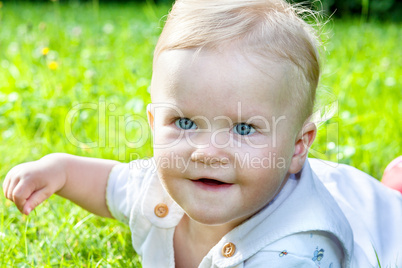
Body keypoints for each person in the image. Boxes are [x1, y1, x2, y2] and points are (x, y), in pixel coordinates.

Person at [3, 0, 402, 267]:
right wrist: (61, 170)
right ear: (154, 122)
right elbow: (113, 186)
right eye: (184, 123)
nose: (207, 152)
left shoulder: (293, 252)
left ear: (298, 146)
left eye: (244, 129)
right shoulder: (164, 186)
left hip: (375, 221)